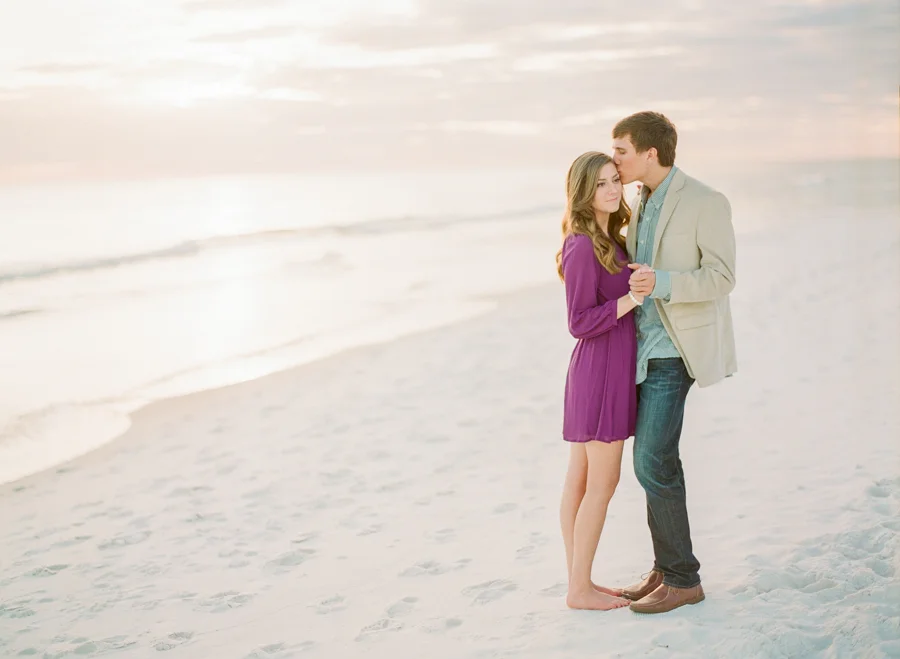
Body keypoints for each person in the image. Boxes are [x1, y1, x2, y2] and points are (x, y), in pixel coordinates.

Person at [611, 111, 737, 614]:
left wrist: (662, 282)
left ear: (649, 153)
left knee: (651, 462)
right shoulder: (637, 201)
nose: (614, 159)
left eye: (620, 150)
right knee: (653, 464)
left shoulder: (706, 201)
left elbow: (722, 277)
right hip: (636, 353)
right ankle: (666, 569)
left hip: (674, 350)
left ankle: (684, 579)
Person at [556, 151, 643, 611]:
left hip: (605, 367)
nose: (612, 190)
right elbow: (579, 321)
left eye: (615, 180)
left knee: (582, 479)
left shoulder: (611, 239)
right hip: (599, 371)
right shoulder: (582, 245)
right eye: (602, 184)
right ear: (583, 192)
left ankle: (578, 581)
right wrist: (631, 299)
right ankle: (579, 588)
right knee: (599, 484)